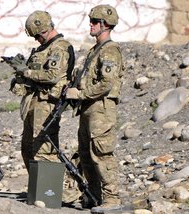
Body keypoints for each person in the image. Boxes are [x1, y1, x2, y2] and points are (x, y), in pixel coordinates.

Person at [65, 4, 124, 213]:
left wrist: (80, 94)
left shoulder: (110, 50)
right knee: (85, 153)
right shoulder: (95, 50)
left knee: (101, 153)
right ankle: (94, 196)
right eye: (90, 21)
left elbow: (106, 83)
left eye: (94, 22)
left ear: (105, 24)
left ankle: (112, 199)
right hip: (88, 108)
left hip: (101, 109)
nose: (90, 25)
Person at [7, 10, 75, 175]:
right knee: (28, 149)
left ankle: (57, 194)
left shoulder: (60, 48)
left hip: (47, 104)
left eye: (38, 36)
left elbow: (52, 76)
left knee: (44, 151)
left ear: (45, 29)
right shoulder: (43, 49)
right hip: (34, 102)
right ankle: (38, 190)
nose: (36, 40)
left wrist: (26, 72)